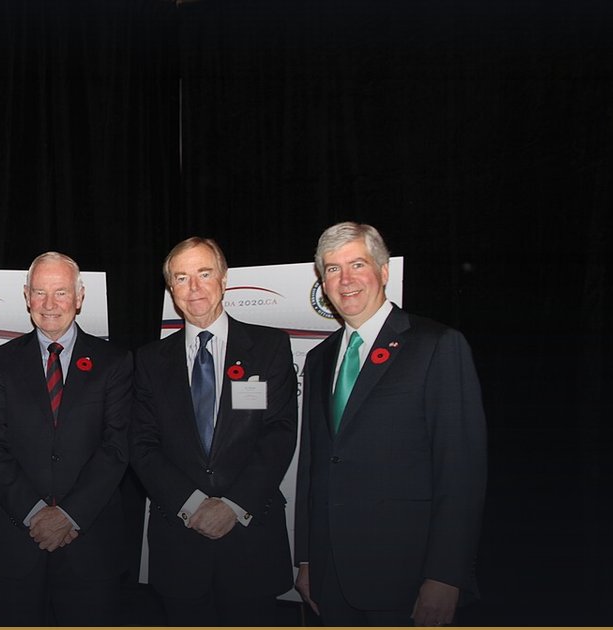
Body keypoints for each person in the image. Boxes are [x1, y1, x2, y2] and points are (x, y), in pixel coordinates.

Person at [293, 222, 487, 626]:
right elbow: (313, 466)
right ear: (322, 283)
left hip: (406, 578)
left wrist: (445, 575)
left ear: (383, 272)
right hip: (330, 576)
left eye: (357, 264)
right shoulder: (318, 358)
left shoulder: (436, 345)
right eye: (332, 269)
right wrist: (307, 559)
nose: (345, 280)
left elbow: (461, 470)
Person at [130, 236, 298, 626]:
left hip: (252, 541)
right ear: (171, 290)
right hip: (180, 542)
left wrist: (233, 506)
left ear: (224, 279)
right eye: (181, 278)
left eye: (204, 274)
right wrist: (193, 505)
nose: (194, 288)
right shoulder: (149, 360)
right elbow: (142, 443)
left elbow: (279, 432)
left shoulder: (269, 346)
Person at [0, 252, 132, 625]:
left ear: (79, 297)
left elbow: (117, 447)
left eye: (60, 292)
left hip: (91, 546)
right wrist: (35, 513)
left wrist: (69, 515)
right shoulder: (0, 361)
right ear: (26, 296)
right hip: (19, 543)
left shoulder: (114, 362)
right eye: (40, 292)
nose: (49, 304)